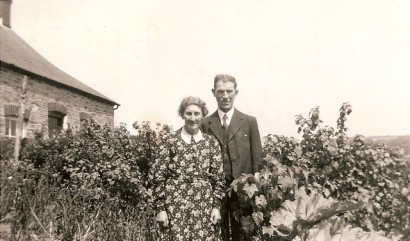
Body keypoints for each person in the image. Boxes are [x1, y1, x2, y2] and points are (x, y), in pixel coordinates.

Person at [150, 96, 225, 240]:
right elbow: (158, 177)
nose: (192, 118)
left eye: (197, 114)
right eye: (188, 113)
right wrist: (160, 209)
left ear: (203, 115)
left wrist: (216, 207)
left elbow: (218, 179)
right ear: (182, 114)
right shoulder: (169, 141)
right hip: (175, 206)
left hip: (204, 206)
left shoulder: (211, 143)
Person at [201, 74, 262, 240]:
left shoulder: (249, 122)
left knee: (242, 232)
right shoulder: (205, 123)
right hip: (214, 189)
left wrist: (254, 184)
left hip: (242, 189)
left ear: (236, 92)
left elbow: (257, 158)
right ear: (213, 92)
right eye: (220, 91)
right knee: (215, 231)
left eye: (229, 91)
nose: (225, 96)